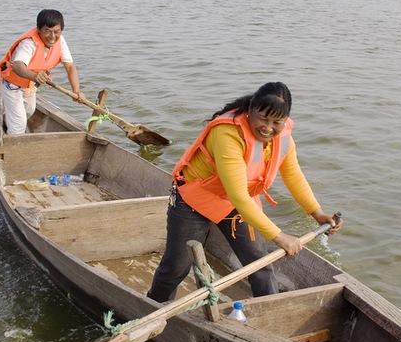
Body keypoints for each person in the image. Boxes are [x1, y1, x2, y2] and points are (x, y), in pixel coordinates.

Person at [146, 82, 342, 303]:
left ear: (285, 120)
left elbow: (293, 176)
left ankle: (270, 313)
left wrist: (317, 213)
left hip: (233, 202)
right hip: (194, 199)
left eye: (277, 122)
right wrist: (279, 236)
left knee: (259, 262)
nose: (268, 128)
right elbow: (239, 195)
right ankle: (153, 306)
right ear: (250, 110)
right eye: (262, 119)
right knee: (175, 267)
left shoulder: (284, 136)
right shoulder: (228, 133)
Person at [0, 9, 86, 134]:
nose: (52, 37)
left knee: (29, 111)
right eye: (47, 31)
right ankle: (15, 144)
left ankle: (7, 118)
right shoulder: (29, 44)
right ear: (39, 30)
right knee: (19, 126)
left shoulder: (60, 41)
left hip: (30, 85)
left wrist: (76, 91)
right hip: (12, 85)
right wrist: (35, 76)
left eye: (56, 32)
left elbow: (70, 67)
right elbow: (17, 65)